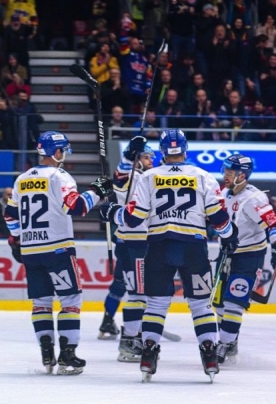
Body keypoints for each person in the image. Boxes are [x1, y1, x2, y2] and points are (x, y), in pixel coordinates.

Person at [100, 129, 238, 382]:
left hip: (158, 246)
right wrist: (229, 235)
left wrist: (111, 212)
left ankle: (148, 353)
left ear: (162, 151)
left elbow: (133, 218)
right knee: (201, 304)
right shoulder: (203, 176)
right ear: (185, 149)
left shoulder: (149, 177)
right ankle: (209, 353)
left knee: (155, 304)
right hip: (193, 247)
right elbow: (218, 217)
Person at [4, 131, 113, 375]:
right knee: (70, 300)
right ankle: (67, 354)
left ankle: (46, 354)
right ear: (56, 152)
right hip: (57, 248)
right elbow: (76, 207)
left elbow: (10, 215)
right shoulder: (59, 176)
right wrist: (97, 191)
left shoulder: (22, 179)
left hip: (31, 251)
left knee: (41, 302)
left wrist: (17, 241)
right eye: (63, 149)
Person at [99, 137, 156, 364]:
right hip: (135, 242)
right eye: (146, 157)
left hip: (131, 241)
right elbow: (122, 174)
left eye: (151, 157)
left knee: (126, 285)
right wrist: (128, 155)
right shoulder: (133, 176)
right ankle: (130, 340)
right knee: (137, 293)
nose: (151, 160)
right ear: (137, 160)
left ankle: (118, 325)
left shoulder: (145, 176)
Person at [215, 155, 276, 363]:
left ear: (242, 176)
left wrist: (275, 249)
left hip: (249, 257)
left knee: (234, 301)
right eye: (225, 171)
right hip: (225, 254)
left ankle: (225, 344)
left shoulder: (255, 199)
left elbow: (272, 224)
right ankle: (230, 341)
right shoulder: (224, 193)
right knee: (219, 304)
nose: (225, 175)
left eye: (230, 172)